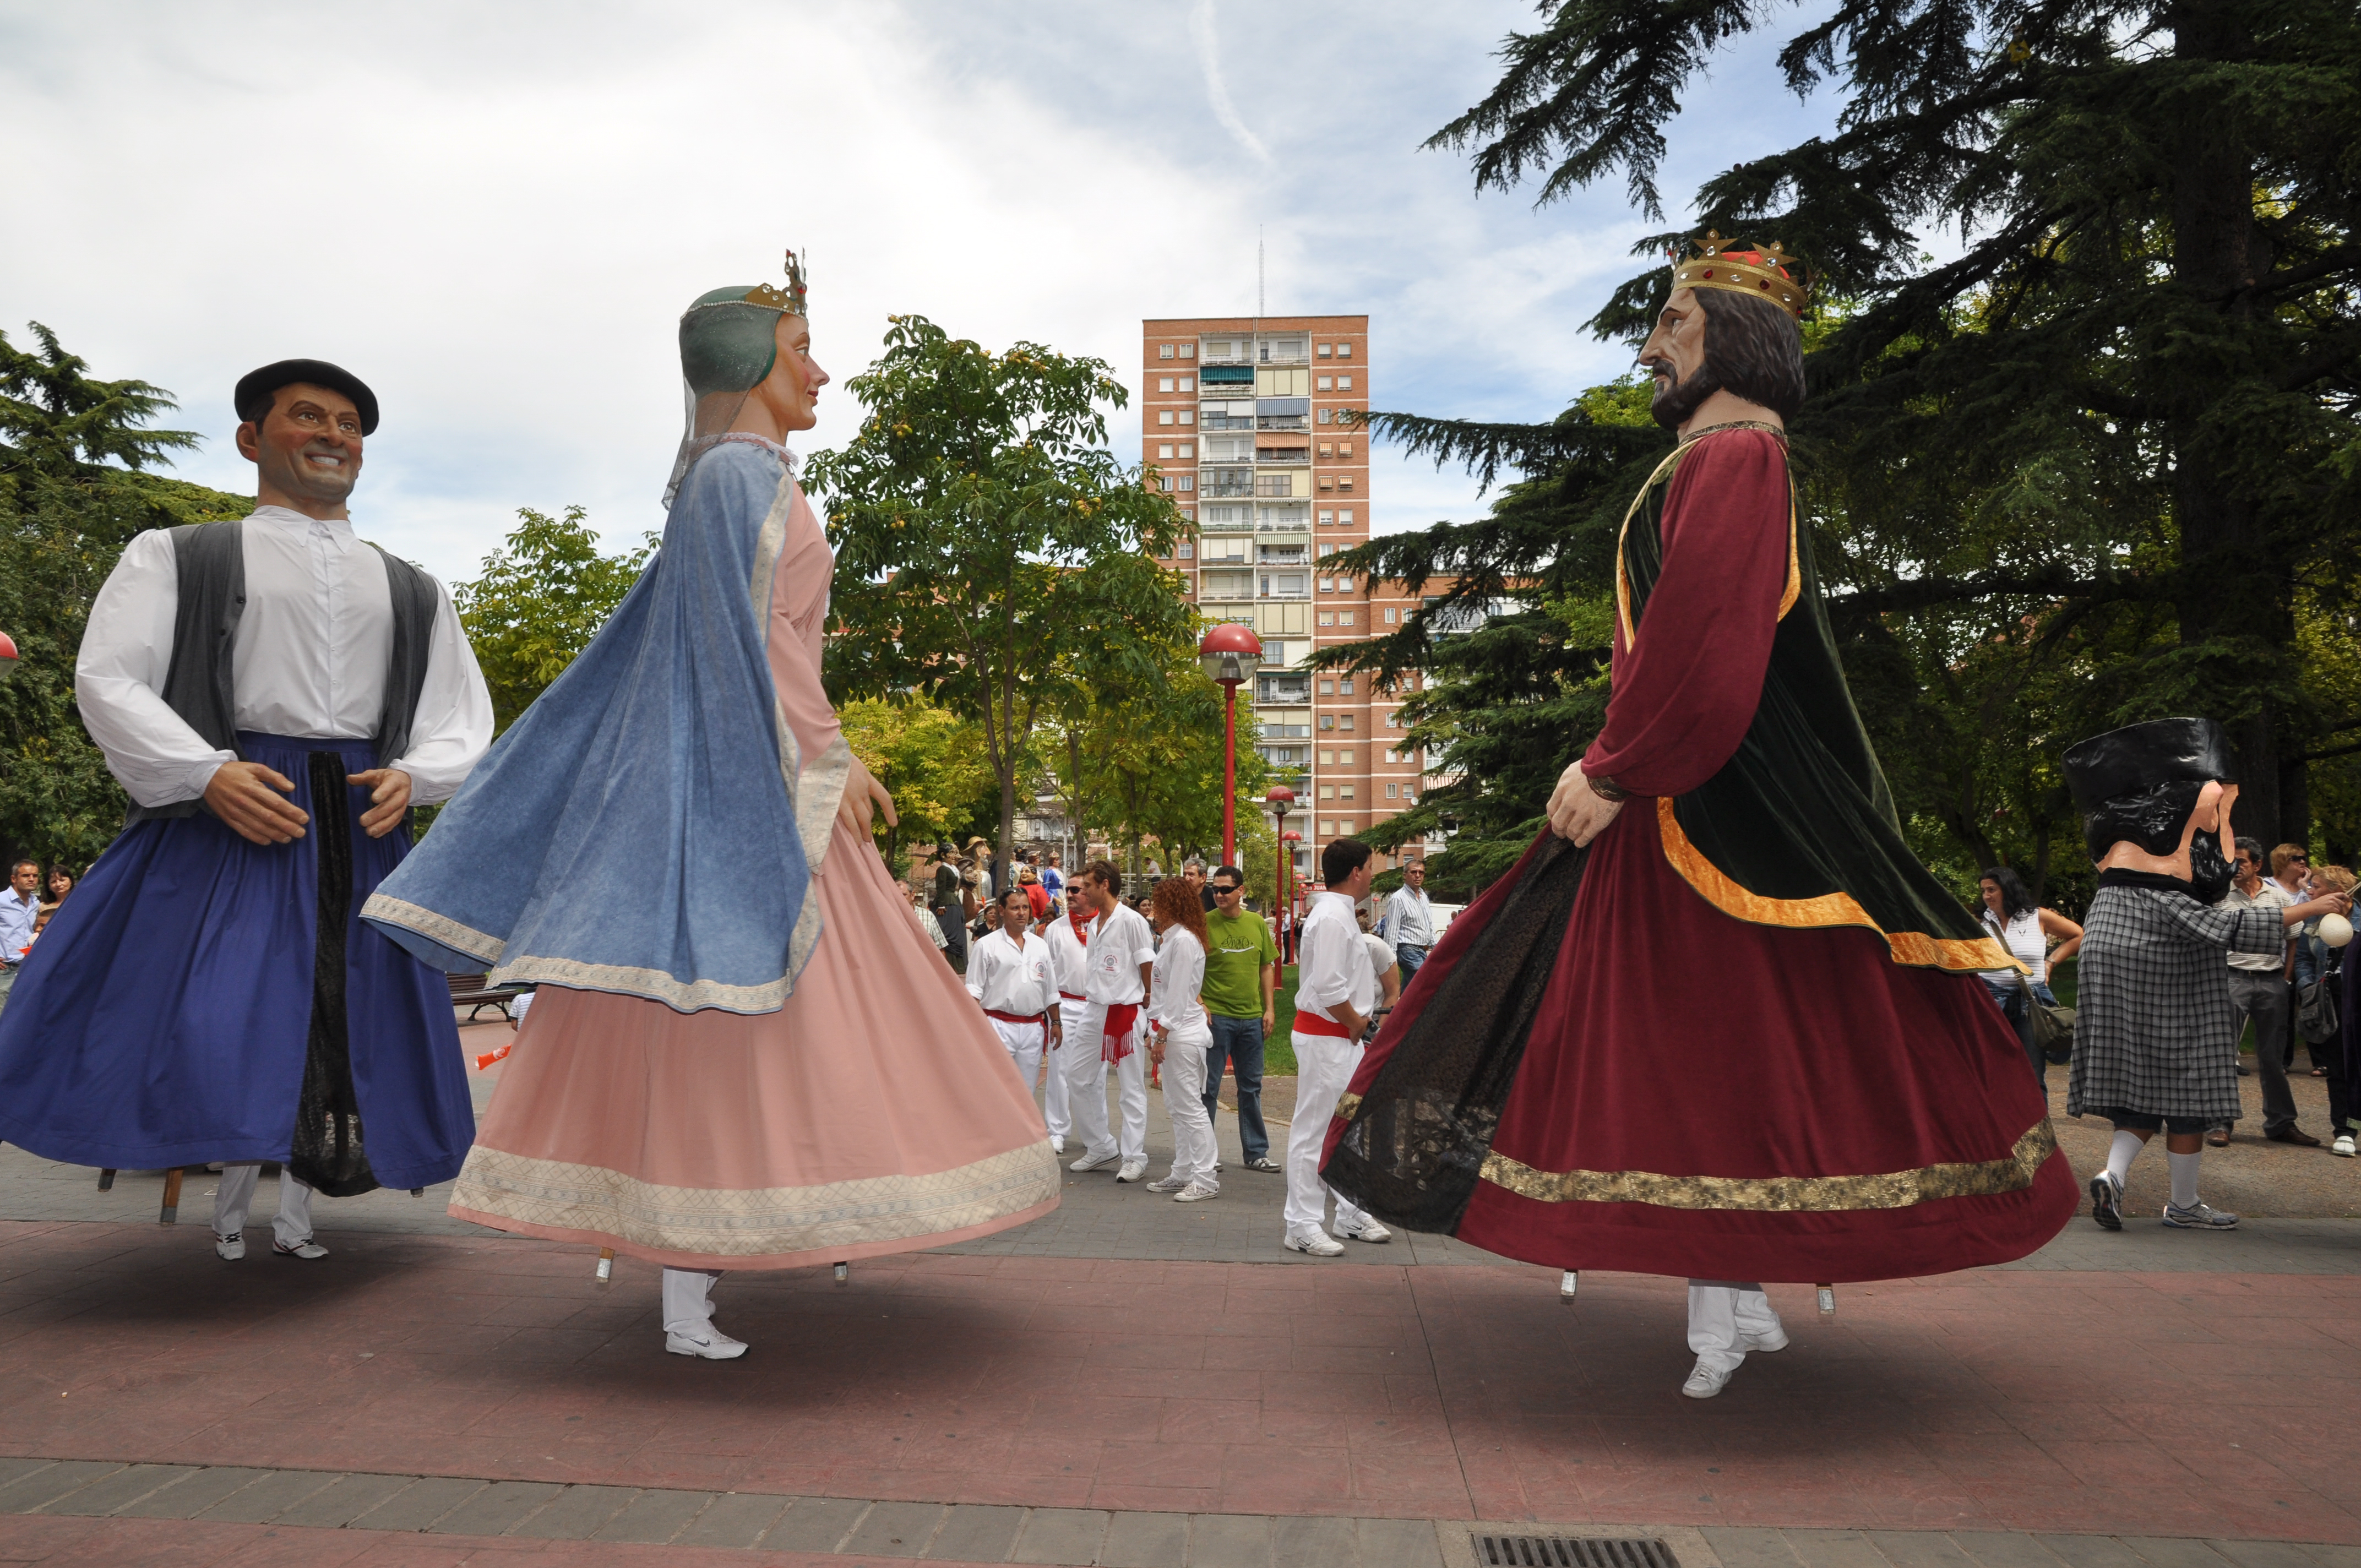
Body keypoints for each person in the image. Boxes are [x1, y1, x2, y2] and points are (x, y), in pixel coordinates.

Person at [1321, 236, 2076, 1398]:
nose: (1648, 345)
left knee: (1697, 1069)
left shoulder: (1730, 459)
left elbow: (1702, 648)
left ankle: (1727, 1306)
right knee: (1723, 1073)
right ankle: (1733, 1299)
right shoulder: (1729, 461)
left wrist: (1618, 766)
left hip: (1701, 816)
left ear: (1733, 332)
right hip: (1708, 809)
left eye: (1671, 322)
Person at [361, 255, 1059, 1358]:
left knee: (747, 1033)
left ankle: (730, 1254)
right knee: (748, 1033)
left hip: (746, 775)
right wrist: (831, 752)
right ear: (749, 362)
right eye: (799, 351)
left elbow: (743, 638)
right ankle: (698, 1277)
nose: (819, 371)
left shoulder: (725, 477)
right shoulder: (741, 478)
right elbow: (754, 634)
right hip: (766, 781)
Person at [0, 359, 494, 1262]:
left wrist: (414, 776)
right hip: (235, 804)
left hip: (357, 812)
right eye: (308, 416)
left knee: (346, 1016)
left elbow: (460, 716)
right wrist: (204, 772)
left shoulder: (415, 587)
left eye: (349, 424)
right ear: (250, 439)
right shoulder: (179, 554)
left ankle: (294, 1211)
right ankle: (230, 1204)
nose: (333, 435)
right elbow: (108, 676)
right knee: (216, 1010)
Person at [2067, 720, 2351, 1231]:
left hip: (2132, 993)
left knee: (2140, 1099)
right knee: (2191, 1097)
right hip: (2174, 997)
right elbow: (2229, 924)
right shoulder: (2159, 885)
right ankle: (2183, 1204)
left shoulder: (2113, 889)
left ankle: (2113, 1176)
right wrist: (2310, 910)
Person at [1287, 840, 1394, 1256]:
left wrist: (1356, 1026)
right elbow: (1328, 986)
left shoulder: (1337, 914)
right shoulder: (1332, 917)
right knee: (1314, 1131)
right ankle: (1301, 1223)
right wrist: (1357, 1023)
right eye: (1369, 867)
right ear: (1355, 872)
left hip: (1340, 1036)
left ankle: (1350, 1212)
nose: (1372, 874)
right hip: (1330, 1036)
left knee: (1349, 1130)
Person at [2211, 837, 2315, 1146]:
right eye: (2231, 861)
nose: (2235, 867)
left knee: (2272, 1057)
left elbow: (2293, 940)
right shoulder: (2220, 898)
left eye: (2241, 861)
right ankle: (2220, 1123)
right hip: (2232, 979)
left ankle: (2282, 1123)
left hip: (2271, 981)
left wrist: (2284, 979)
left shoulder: (2277, 897)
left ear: (2257, 865)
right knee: (2223, 1055)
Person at [1061, 859, 1154, 1184]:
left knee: (1131, 1088)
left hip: (1125, 1011)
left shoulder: (1132, 921)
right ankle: (1101, 1145)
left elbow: (1147, 965)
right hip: (1095, 1008)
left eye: (1087, 885)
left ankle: (1134, 1156)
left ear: (1104, 885)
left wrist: (1148, 1002)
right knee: (1076, 1076)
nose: (1082, 890)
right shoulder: (1094, 924)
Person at [1201, 864, 1281, 1174]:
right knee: (1208, 1087)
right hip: (1216, 1018)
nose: (1219, 895)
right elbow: (1191, 967)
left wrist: (1269, 1008)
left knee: (1251, 1087)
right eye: (1215, 889)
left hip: (1251, 1019)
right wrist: (1199, 1002)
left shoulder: (1256, 923)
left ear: (1241, 891)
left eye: (1225, 889)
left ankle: (1256, 1152)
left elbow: (1266, 966)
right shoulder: (1204, 924)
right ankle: (1205, 1153)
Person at [1144, 877, 1219, 1201]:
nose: (1154, 908)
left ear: (1170, 905)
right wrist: (1157, 1032)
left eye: (1158, 901)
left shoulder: (1184, 942)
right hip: (1174, 1031)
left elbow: (1176, 996)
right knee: (1178, 1106)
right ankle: (1184, 1170)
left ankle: (1205, 1178)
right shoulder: (1173, 939)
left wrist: (1162, 1035)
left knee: (1190, 1107)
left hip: (1181, 1033)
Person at [1975, 866, 2082, 1084]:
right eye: (1984, 890)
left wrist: (2051, 962)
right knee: (1993, 1070)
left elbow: (2077, 935)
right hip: (1992, 1001)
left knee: (2033, 1072)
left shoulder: (2037, 916)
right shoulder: (1978, 923)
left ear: (2008, 889)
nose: (1987, 896)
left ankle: (2038, 1119)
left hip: (2031, 1002)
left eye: (1992, 889)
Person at [967, 887, 1059, 1108]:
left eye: (1025, 907)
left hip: (1033, 1027)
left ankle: (1025, 1141)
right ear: (1002, 910)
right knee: (995, 1088)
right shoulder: (986, 946)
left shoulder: (1040, 945)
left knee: (1026, 1091)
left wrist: (1055, 1022)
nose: (1021, 913)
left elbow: (1050, 989)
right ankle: (996, 1140)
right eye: (1015, 908)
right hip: (997, 1025)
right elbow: (973, 992)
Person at [1043, 894, 1090, 1156]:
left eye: (1077, 889)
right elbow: (1048, 972)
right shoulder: (1055, 929)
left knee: (1095, 1073)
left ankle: (1094, 1132)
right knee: (1060, 1069)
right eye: (1069, 888)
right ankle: (1057, 1130)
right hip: (1065, 1004)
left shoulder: (1105, 924)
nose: (1071, 894)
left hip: (1097, 1004)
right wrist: (1052, 1013)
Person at [1382, 860, 1436, 985]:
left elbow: (1428, 924)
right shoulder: (1398, 898)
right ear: (1405, 875)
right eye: (1414, 872)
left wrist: (1435, 946)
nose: (1418, 875)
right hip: (1407, 950)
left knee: (1410, 988)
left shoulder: (1423, 896)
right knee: (1424, 982)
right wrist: (1391, 959)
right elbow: (1392, 931)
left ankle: (1398, 1004)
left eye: (1421, 872)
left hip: (1422, 950)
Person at [0, 859, 39, 1014]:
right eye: (26, 875)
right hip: (5, 970)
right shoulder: (2, 900)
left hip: (27, 968)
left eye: (35, 876)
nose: (31, 879)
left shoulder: (36, 903)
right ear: (14, 879)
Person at [928, 842, 971, 974]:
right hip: (947, 902)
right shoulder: (943, 869)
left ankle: (958, 965)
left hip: (954, 900)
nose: (955, 856)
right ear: (943, 855)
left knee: (957, 931)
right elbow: (940, 887)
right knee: (947, 931)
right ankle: (947, 964)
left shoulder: (953, 869)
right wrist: (941, 904)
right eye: (952, 853)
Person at [909, 884, 950, 954]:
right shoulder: (891, 919)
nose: (900, 898)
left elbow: (940, 947)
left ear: (912, 895)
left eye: (904, 895)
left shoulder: (928, 916)